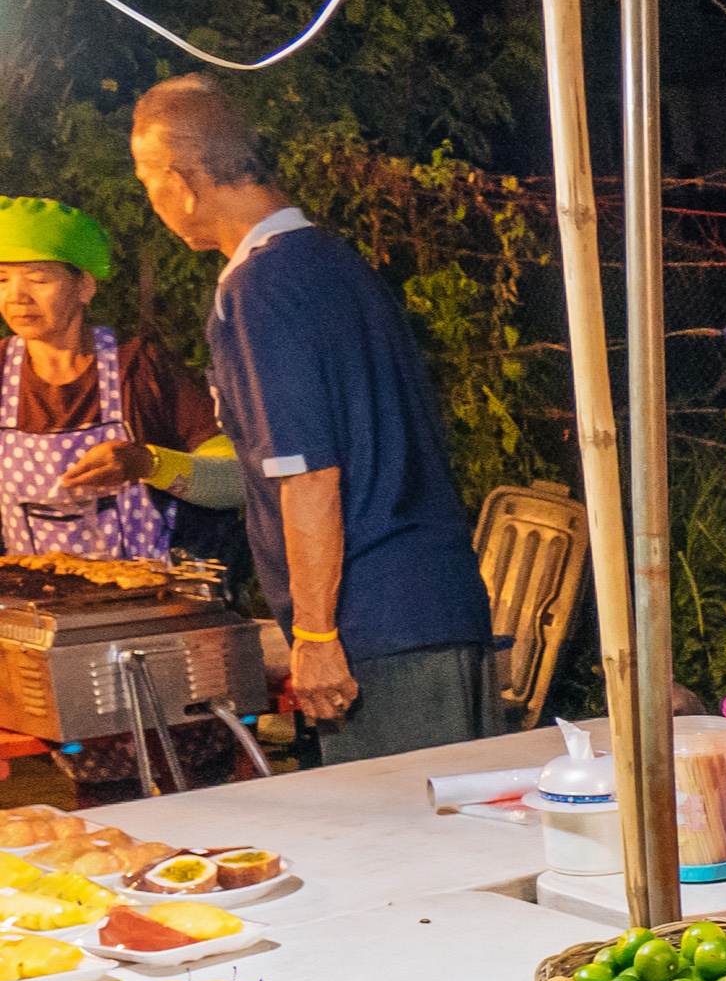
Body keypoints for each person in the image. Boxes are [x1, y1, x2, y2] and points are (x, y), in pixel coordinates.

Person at [129, 76, 495, 763]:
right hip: (437, 608)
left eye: (146, 181)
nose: (152, 201)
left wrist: (318, 634)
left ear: (180, 182)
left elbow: (308, 473)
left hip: (373, 630)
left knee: (402, 856)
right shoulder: (334, 261)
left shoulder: (257, 288)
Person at [0, 197, 240, 562]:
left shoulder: (141, 371)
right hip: (36, 608)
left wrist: (149, 464)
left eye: (38, 279)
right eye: (2, 279)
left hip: (146, 603)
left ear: (85, 287)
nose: (17, 296)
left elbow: (237, 480)